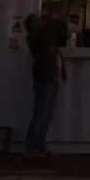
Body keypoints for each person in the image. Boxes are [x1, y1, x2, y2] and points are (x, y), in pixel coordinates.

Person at [24, 9, 67, 156]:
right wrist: (50, 18)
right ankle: (31, 148)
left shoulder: (43, 37)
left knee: (47, 115)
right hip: (45, 78)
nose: (41, 20)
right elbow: (50, 31)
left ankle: (40, 147)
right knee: (40, 114)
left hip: (51, 78)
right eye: (37, 19)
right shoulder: (35, 37)